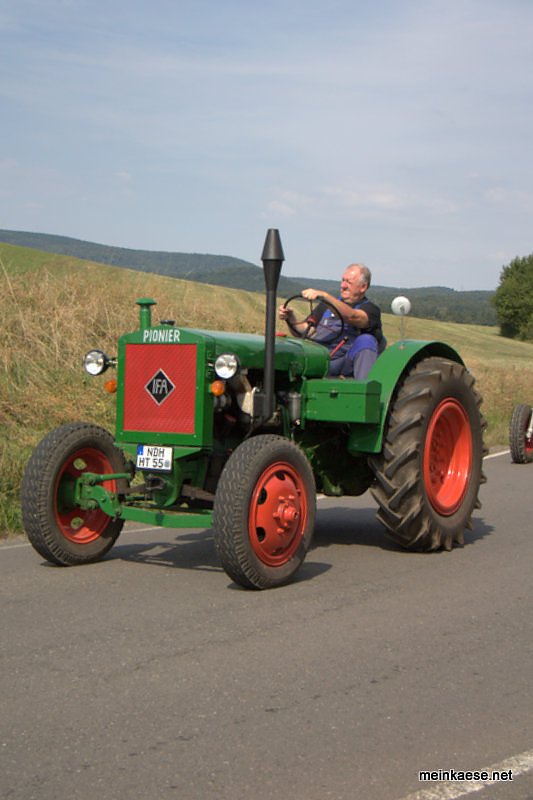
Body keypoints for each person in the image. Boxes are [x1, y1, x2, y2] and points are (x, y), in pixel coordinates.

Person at [279, 263, 385, 379]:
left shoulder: (370, 310)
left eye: (349, 282)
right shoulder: (326, 306)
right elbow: (306, 331)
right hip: (319, 358)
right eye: (343, 280)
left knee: (366, 340)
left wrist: (324, 295)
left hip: (343, 363)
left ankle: (363, 391)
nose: (343, 286)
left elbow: (352, 316)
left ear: (363, 287)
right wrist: (291, 319)